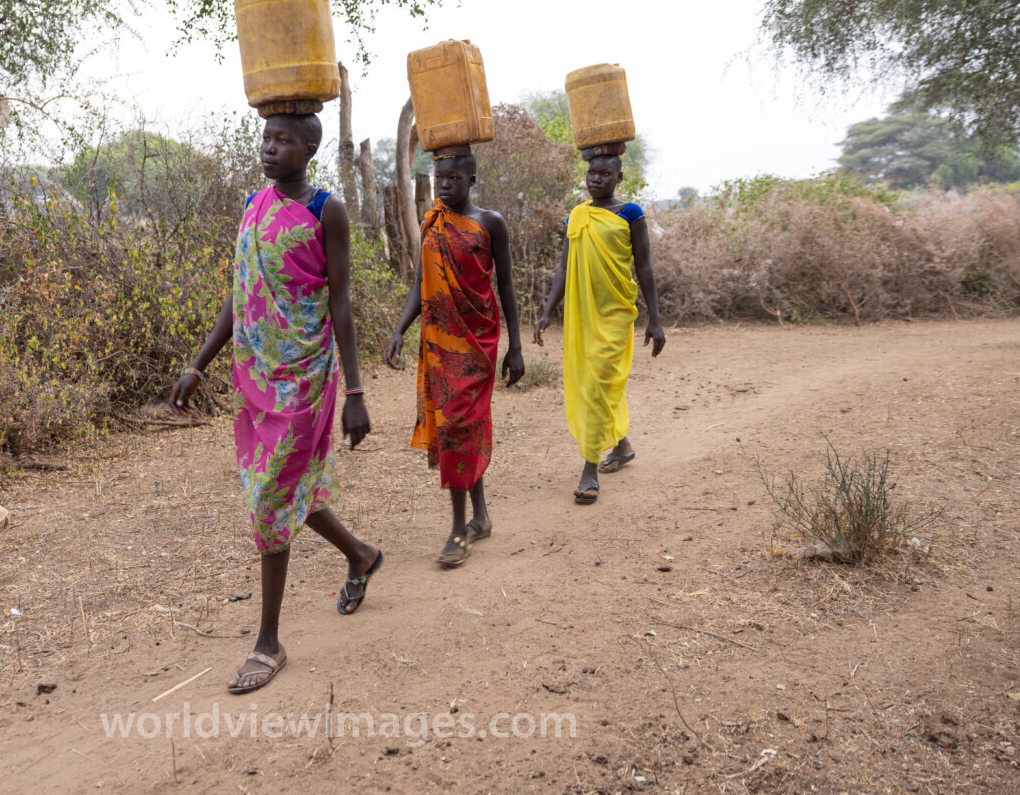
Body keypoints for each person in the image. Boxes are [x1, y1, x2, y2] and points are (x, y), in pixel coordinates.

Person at [171, 113, 381, 695]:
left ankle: (268, 642)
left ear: (310, 148)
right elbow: (239, 296)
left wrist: (357, 392)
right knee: (292, 491)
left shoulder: (324, 211)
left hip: (306, 378)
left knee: (270, 496)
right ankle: (361, 555)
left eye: (283, 140)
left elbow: (340, 302)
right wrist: (197, 364)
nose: (269, 148)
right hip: (256, 376)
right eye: (265, 138)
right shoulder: (254, 205)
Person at [385, 145, 524, 567]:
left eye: (454, 179)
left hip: (476, 342)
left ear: (472, 180)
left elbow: (507, 288)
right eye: (439, 177)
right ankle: (478, 517)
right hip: (437, 343)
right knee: (457, 429)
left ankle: (458, 531)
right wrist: (399, 328)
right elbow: (420, 284)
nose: (444, 185)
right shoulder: (433, 223)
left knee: (460, 425)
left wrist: (516, 347)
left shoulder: (490, 224)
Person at [534, 152, 665, 504]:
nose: (596, 179)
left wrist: (655, 317)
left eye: (605, 174)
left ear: (619, 178)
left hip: (617, 313)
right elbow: (563, 268)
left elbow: (645, 268)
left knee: (598, 383)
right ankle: (621, 446)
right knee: (600, 382)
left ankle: (589, 469)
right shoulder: (576, 216)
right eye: (592, 172)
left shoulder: (630, 214)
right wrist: (548, 312)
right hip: (583, 315)